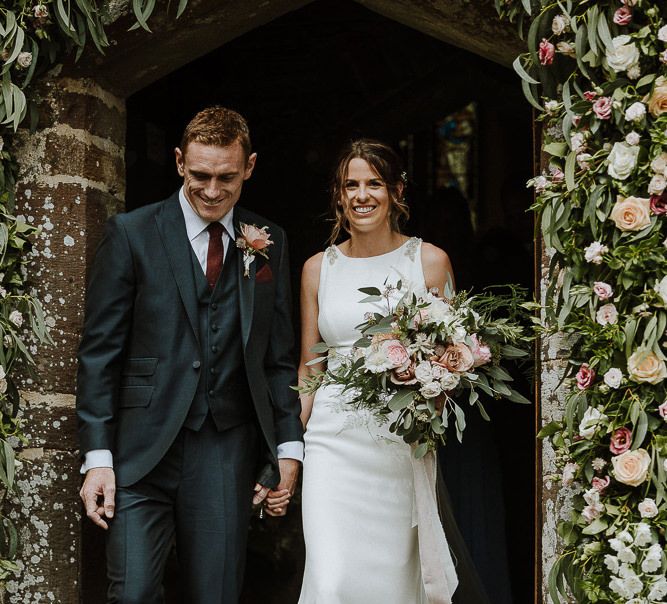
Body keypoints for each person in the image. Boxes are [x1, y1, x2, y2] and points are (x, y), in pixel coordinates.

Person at [76, 106, 303, 603]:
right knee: (131, 594)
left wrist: (288, 449)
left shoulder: (270, 241)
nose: (213, 190)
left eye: (226, 176)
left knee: (216, 594)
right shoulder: (131, 234)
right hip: (139, 451)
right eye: (200, 174)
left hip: (224, 447)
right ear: (179, 162)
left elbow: (278, 358)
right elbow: (99, 354)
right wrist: (97, 457)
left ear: (250, 167)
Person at [290, 139, 460, 603]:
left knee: (390, 583)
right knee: (329, 581)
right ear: (339, 195)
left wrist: (432, 386)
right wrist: (289, 443)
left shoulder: (429, 262)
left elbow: (452, 358)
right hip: (331, 441)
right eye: (351, 185)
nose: (362, 196)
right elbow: (311, 367)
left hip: (397, 442)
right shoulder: (315, 269)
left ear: (397, 191)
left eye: (374, 184)